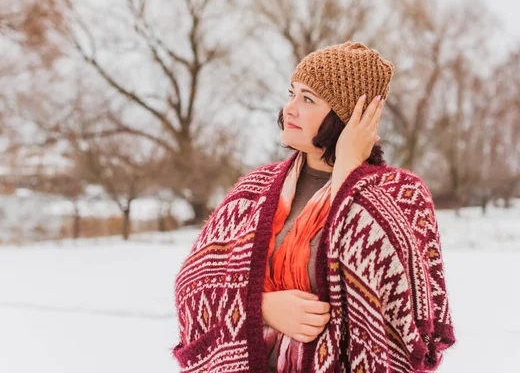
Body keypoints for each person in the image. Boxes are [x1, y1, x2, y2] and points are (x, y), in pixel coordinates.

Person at [171, 42, 456, 373]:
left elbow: (404, 318)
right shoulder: (253, 190)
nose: (289, 108)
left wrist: (348, 173)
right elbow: (192, 286)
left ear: (349, 117)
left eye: (308, 99)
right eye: (292, 93)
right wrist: (259, 307)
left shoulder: (401, 195)